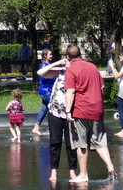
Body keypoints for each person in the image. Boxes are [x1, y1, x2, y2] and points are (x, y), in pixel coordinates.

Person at [64, 43, 117, 182]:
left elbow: (70, 92)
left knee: (81, 143)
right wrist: (101, 103)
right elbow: (102, 87)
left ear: (68, 57)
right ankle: (110, 166)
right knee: (100, 141)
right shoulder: (93, 67)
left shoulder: (71, 70)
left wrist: (68, 111)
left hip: (80, 110)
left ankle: (83, 175)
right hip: (97, 109)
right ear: (80, 54)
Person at [38, 53, 79, 183]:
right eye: (66, 59)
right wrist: (57, 63)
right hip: (55, 112)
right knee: (54, 143)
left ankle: (72, 171)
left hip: (70, 112)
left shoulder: (76, 73)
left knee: (70, 143)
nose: (67, 61)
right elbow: (41, 72)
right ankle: (54, 171)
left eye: (69, 59)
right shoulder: (59, 72)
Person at [31, 48, 56, 136]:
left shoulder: (48, 65)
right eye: (50, 54)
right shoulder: (44, 65)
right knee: (53, 108)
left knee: (44, 109)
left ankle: (36, 127)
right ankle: (55, 128)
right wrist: (53, 76)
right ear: (45, 56)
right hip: (46, 91)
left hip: (47, 90)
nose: (51, 56)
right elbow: (44, 77)